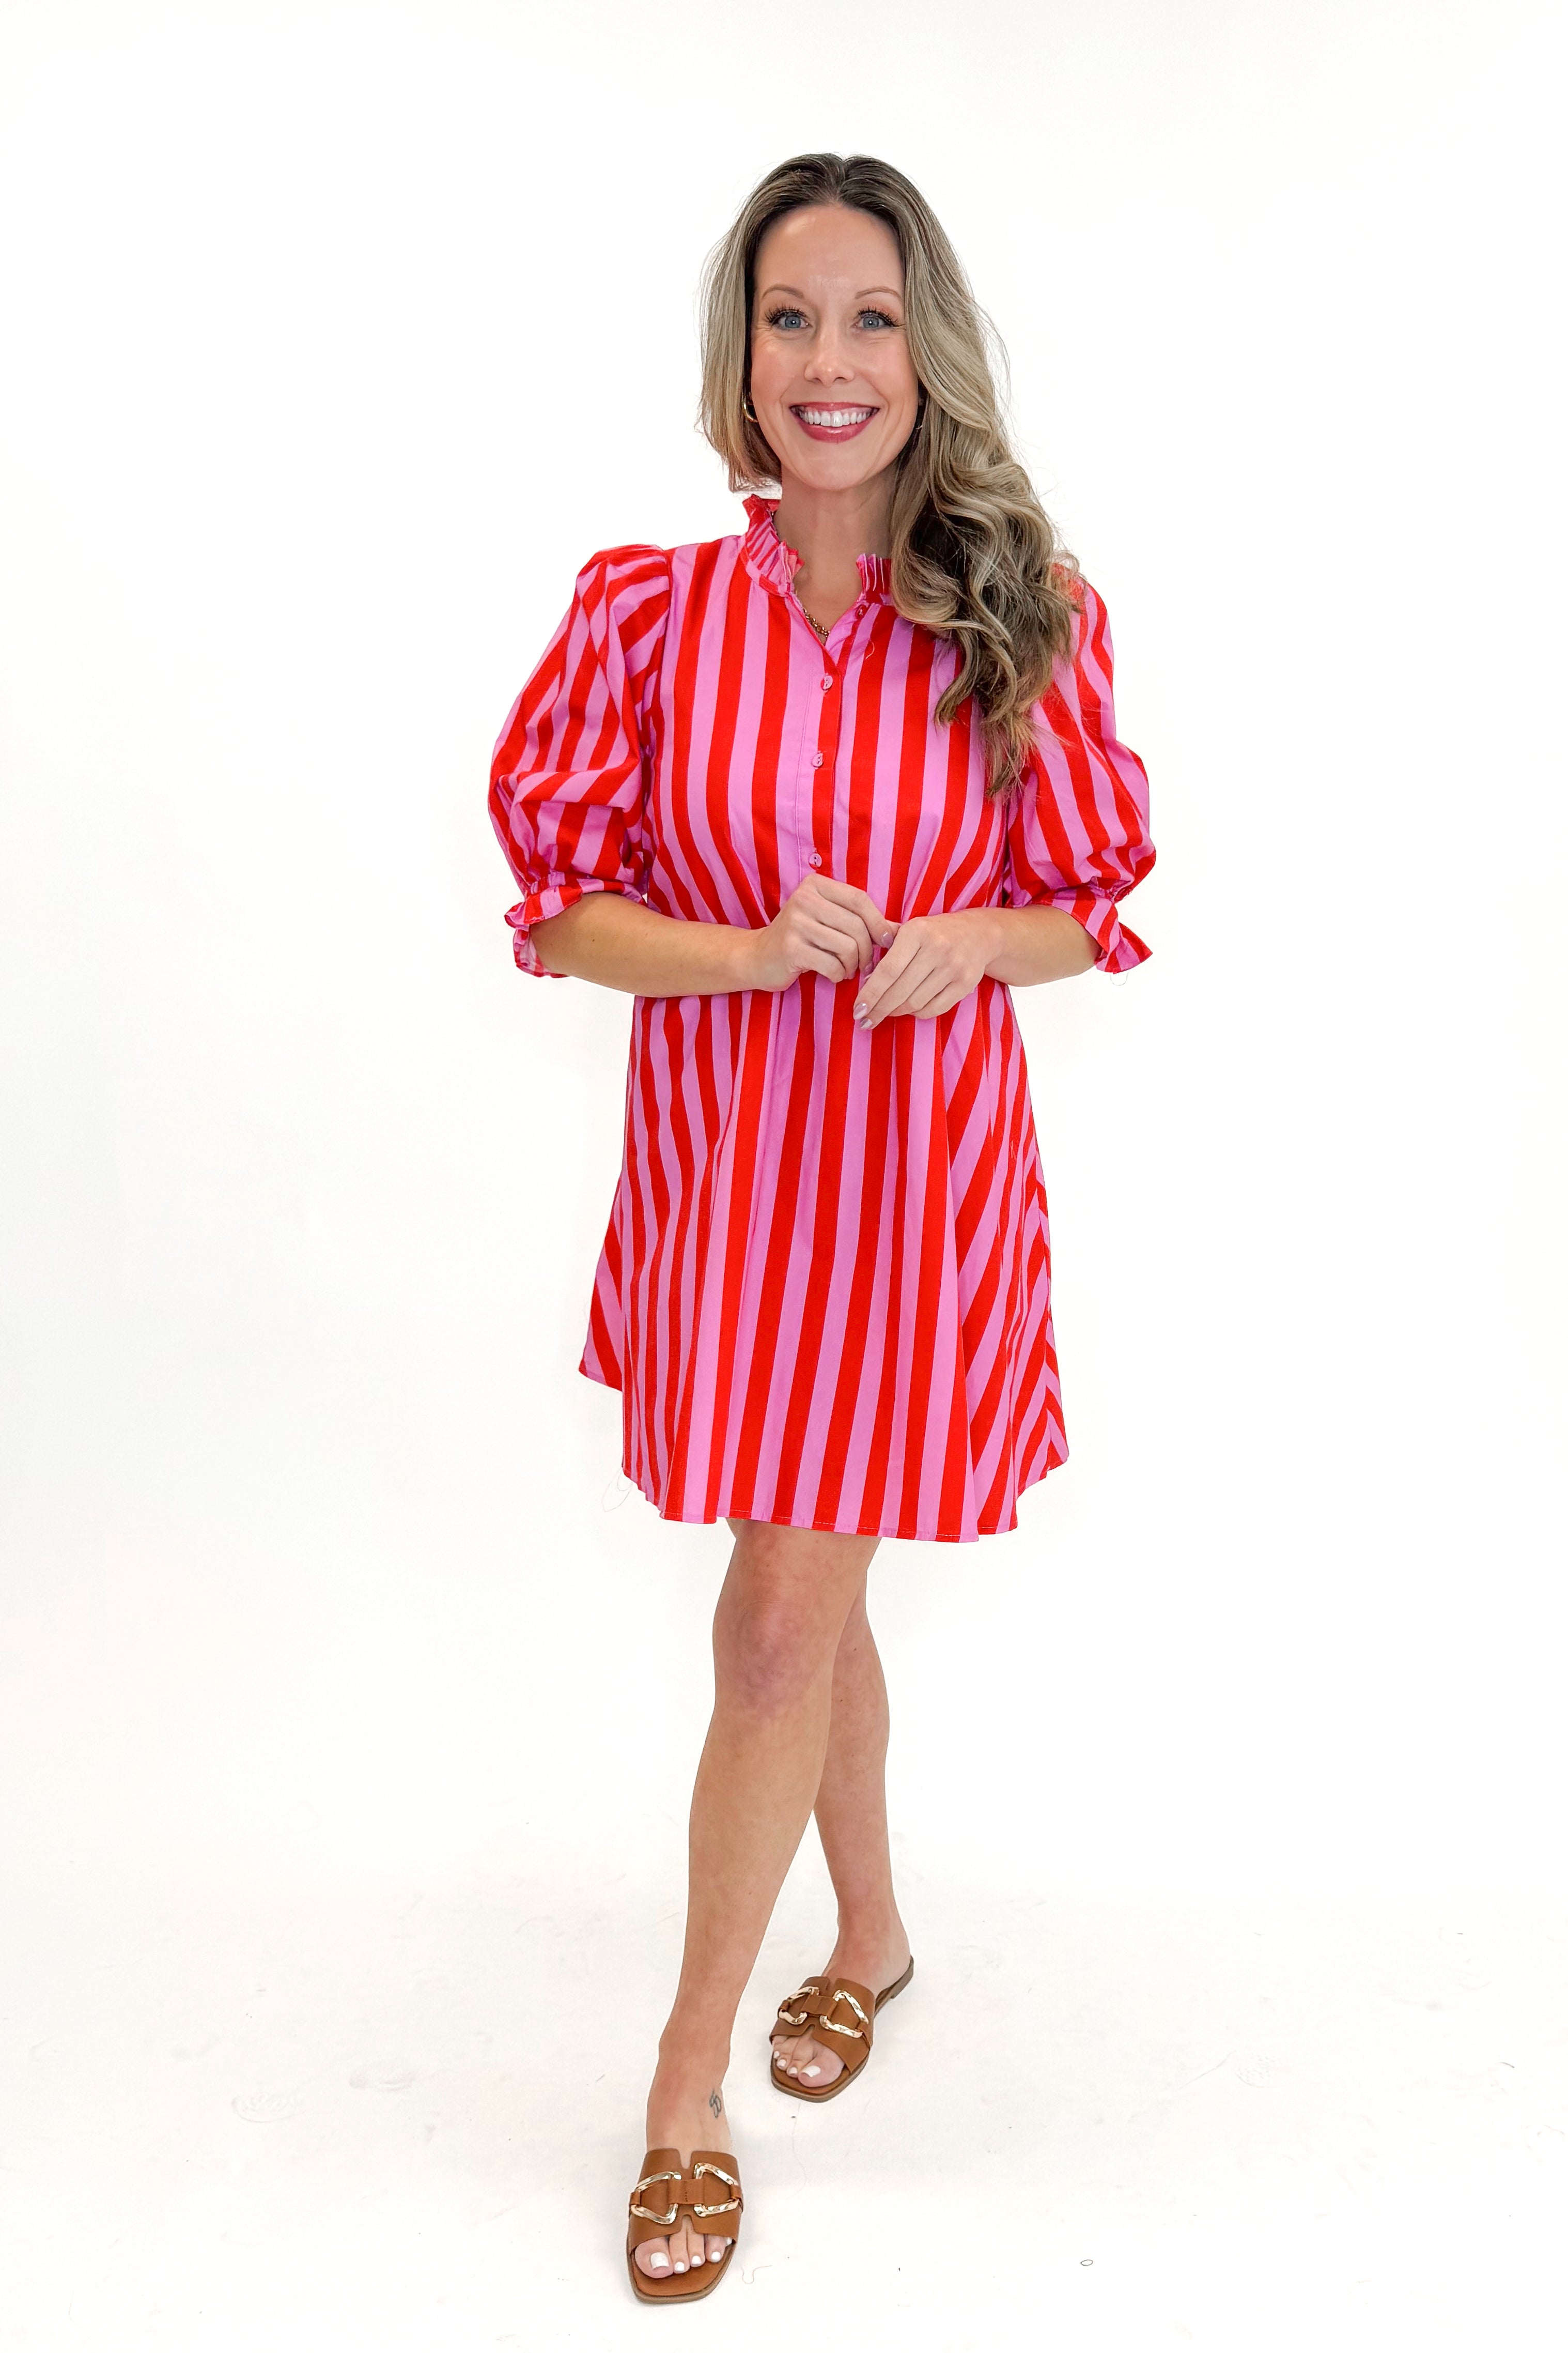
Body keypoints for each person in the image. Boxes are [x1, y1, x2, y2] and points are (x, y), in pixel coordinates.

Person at [487, 151, 1155, 2305]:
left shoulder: (1017, 610)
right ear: (744, 355)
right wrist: (748, 947)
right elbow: (560, 912)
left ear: (925, 350)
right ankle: (865, 1936)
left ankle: (682, 2088)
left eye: (872, 316)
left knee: (776, 1619)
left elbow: (1091, 901)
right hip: (729, 1192)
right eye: (791, 317)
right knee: (805, 1584)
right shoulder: (645, 616)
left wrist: (969, 937)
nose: (830, 359)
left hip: (909, 1202)